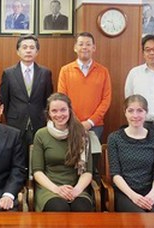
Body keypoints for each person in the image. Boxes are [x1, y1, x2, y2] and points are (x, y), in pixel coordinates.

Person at [57, 32, 112, 176]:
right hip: (70, 124)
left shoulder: (103, 71)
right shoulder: (65, 70)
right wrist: (74, 122)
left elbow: (106, 100)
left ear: (94, 48)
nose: (84, 47)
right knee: (71, 162)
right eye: (81, 44)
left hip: (96, 126)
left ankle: (93, 196)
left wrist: (90, 122)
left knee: (92, 164)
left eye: (88, 44)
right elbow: (62, 100)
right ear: (75, 47)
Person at [32, 93, 93, 212]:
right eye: (54, 111)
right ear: (48, 114)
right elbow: (37, 172)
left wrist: (76, 190)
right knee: (59, 208)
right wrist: (57, 189)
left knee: (82, 208)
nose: (59, 114)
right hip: (49, 188)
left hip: (76, 188)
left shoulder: (82, 134)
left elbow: (87, 172)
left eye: (63, 110)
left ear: (70, 111)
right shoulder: (41, 135)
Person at [107, 95, 154, 212]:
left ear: (146, 113)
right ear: (125, 113)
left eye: (140, 110)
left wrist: (153, 195)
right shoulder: (114, 138)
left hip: (151, 191)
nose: (135, 115)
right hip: (126, 193)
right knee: (140, 220)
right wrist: (133, 196)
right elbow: (115, 174)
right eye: (130, 111)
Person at [0, 34, 53, 168]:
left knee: (38, 158)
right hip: (15, 123)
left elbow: (48, 100)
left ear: (37, 51)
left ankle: (36, 184)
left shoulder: (45, 73)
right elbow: (4, 101)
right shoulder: (9, 73)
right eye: (24, 47)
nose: (28, 50)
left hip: (39, 122)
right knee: (16, 158)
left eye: (32, 47)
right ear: (18, 51)